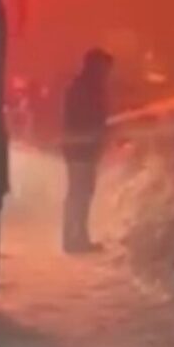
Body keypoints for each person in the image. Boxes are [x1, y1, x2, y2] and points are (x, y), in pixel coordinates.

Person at [61, 48, 113, 253]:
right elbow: (86, 119)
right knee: (80, 194)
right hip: (81, 149)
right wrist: (99, 131)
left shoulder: (82, 88)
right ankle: (75, 238)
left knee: (79, 194)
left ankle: (74, 237)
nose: (107, 74)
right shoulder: (85, 90)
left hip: (80, 148)